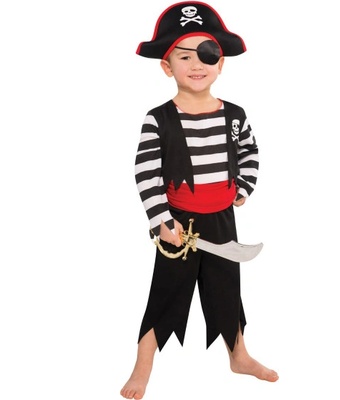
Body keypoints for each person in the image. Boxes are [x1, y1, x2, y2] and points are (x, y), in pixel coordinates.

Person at [120, 2, 278, 399]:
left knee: (227, 288)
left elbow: (250, 152)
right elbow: (145, 172)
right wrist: (161, 219)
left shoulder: (235, 115)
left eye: (206, 55)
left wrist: (243, 187)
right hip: (178, 222)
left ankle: (239, 355)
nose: (196, 64)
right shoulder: (159, 119)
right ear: (167, 66)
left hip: (221, 219)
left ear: (220, 63)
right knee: (167, 291)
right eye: (184, 56)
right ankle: (143, 364)